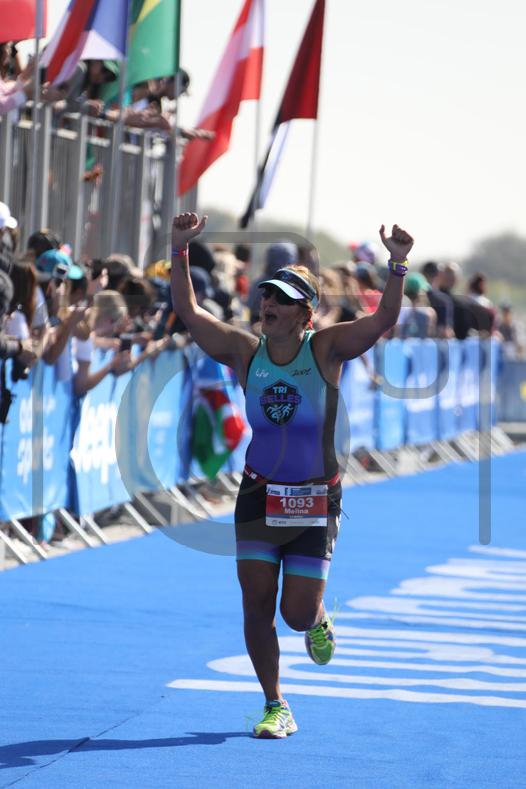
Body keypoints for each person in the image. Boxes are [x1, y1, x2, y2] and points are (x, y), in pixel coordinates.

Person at [170, 211, 414, 739]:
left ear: (306, 313)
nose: (269, 305)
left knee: (296, 615)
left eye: (281, 299)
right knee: (256, 604)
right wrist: (179, 248)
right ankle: (275, 703)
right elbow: (188, 312)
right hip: (259, 494)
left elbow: (382, 321)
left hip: (314, 500)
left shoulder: (325, 350)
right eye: (266, 296)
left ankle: (318, 616)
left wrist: (397, 264)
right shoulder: (245, 352)